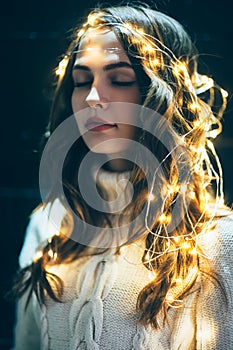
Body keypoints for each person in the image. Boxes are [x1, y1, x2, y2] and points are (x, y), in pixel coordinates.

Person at [11, 3, 233, 350]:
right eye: (81, 81)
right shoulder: (50, 225)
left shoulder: (216, 243)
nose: (93, 98)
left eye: (120, 80)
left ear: (163, 95)